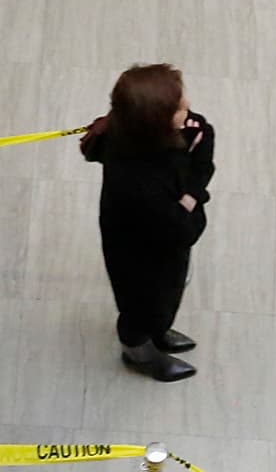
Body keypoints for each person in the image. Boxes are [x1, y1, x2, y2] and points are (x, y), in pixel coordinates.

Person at [79, 63, 214, 381]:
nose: (189, 108)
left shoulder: (171, 130)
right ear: (154, 124)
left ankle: (158, 331)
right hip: (138, 243)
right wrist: (190, 209)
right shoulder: (136, 178)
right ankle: (138, 348)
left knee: (167, 295)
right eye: (179, 107)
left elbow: (203, 156)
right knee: (144, 300)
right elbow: (183, 230)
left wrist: (191, 197)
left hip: (162, 230)